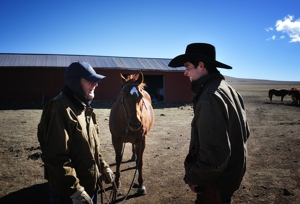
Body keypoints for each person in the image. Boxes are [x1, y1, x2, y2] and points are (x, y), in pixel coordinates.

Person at [168, 43, 250, 204]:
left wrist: (193, 177)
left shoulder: (209, 97)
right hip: (230, 176)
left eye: (187, 67)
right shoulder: (229, 90)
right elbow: (245, 133)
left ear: (201, 65)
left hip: (215, 182)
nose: (185, 73)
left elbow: (214, 155)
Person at [37, 61, 115, 204]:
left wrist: (103, 166)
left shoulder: (84, 108)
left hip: (90, 186)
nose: (95, 84)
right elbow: (56, 157)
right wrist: (75, 190)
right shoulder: (60, 109)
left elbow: (91, 148)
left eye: (96, 81)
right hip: (69, 194)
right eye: (89, 80)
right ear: (74, 83)